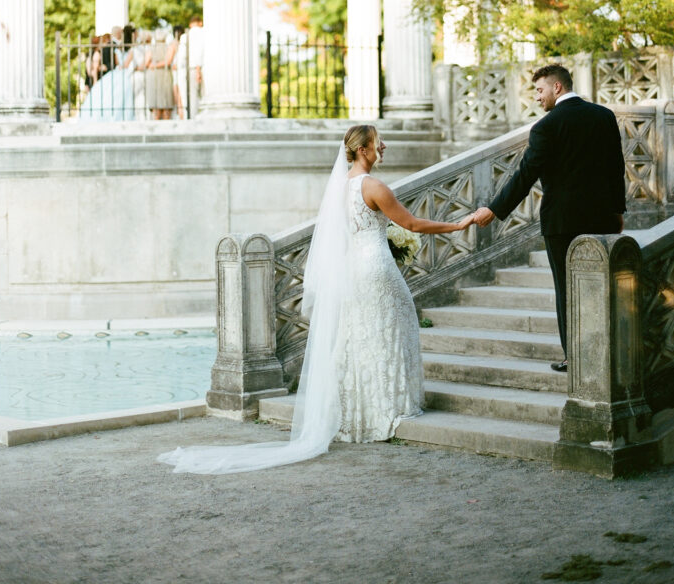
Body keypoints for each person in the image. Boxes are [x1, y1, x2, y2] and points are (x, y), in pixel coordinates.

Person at [157, 124, 475, 475]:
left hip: (355, 271)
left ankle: (357, 415)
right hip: (377, 270)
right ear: (364, 149)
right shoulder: (374, 186)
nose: (383, 146)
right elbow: (412, 224)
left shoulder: (339, 190)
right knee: (389, 333)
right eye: (377, 142)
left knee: (359, 338)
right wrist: (460, 225)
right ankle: (388, 409)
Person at [472, 64, 626, 373]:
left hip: (562, 223)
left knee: (567, 289)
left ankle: (576, 358)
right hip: (604, 219)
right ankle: (611, 351)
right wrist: (618, 211)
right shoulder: (604, 116)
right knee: (605, 286)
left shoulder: (546, 126)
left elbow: (525, 175)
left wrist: (494, 208)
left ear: (557, 88)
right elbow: (615, 168)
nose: (537, 98)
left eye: (540, 90)